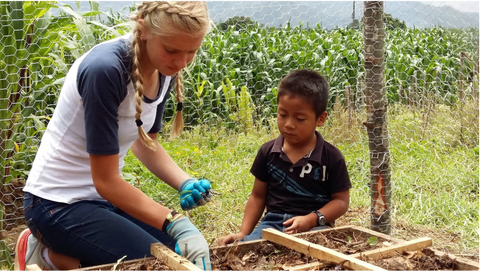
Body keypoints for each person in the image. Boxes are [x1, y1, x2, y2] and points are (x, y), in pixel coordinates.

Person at [14, 1, 213, 270]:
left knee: (179, 254)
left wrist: (184, 181)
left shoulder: (163, 67)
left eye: (192, 51)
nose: (181, 62)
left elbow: (145, 144)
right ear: (144, 29)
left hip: (105, 201)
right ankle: (46, 255)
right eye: (172, 50)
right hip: (56, 205)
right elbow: (105, 180)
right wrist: (175, 220)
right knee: (156, 265)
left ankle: (62, 254)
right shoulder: (105, 70)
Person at [218, 69, 352, 245]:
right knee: (245, 250)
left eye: (300, 118)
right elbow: (257, 196)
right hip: (272, 224)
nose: (289, 124)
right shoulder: (268, 152)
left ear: (320, 119)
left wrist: (312, 219)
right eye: (282, 115)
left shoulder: (331, 157)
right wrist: (243, 233)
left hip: (315, 228)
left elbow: (341, 201)